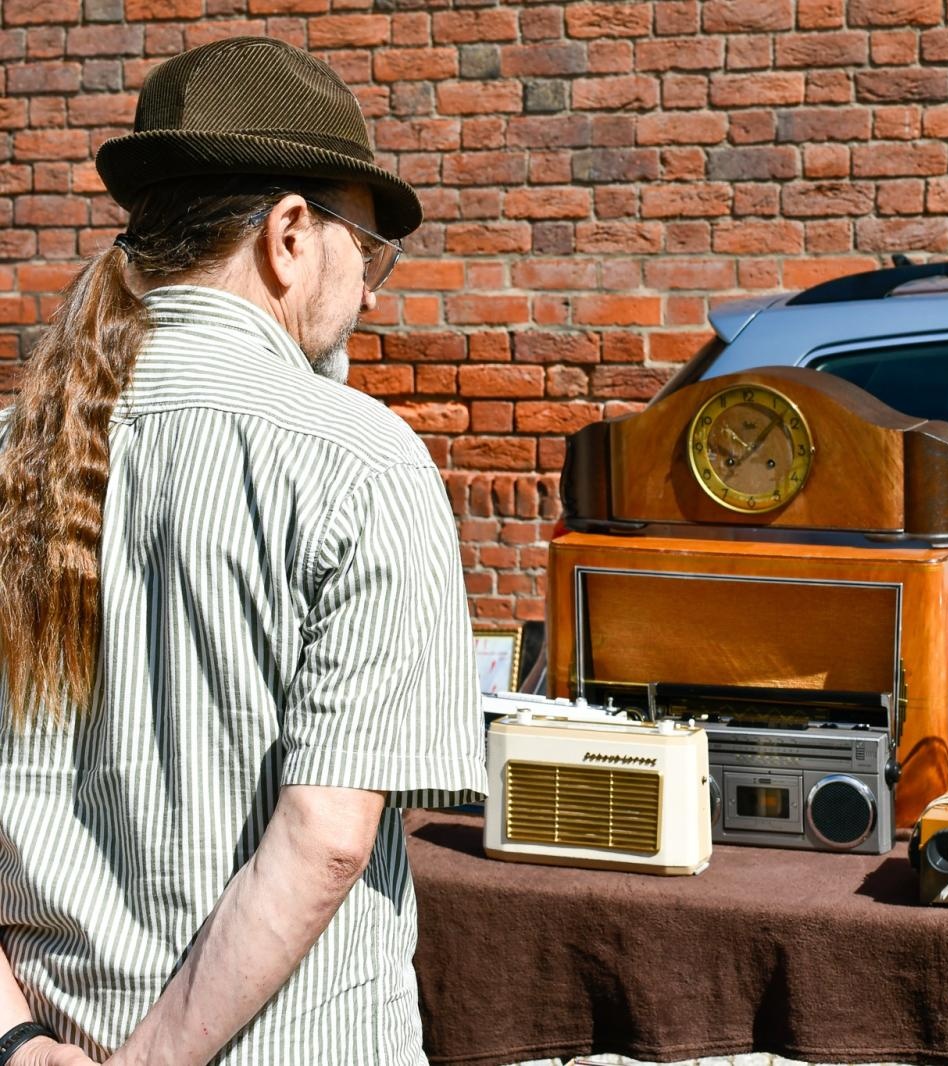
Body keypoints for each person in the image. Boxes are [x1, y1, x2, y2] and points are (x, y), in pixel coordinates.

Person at [0, 37, 485, 1065]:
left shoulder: (12, 447)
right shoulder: (362, 460)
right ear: (291, 234)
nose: (370, 290)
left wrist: (19, 1039)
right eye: (368, 250)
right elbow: (329, 833)